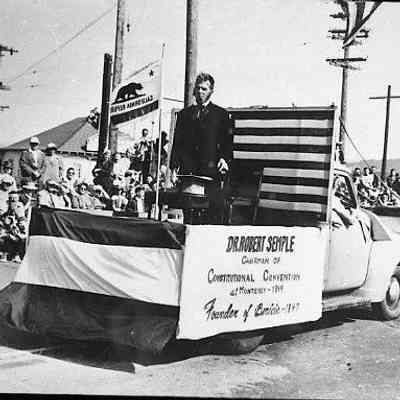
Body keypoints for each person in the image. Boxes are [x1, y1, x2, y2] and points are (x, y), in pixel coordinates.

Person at [170, 72, 232, 223]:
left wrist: (224, 159)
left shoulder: (221, 114)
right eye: (197, 88)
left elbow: (227, 141)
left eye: (204, 89)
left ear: (211, 91)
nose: (200, 92)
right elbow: (178, 143)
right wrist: (173, 167)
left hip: (210, 172)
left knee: (210, 213)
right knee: (189, 213)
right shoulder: (184, 114)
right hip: (188, 172)